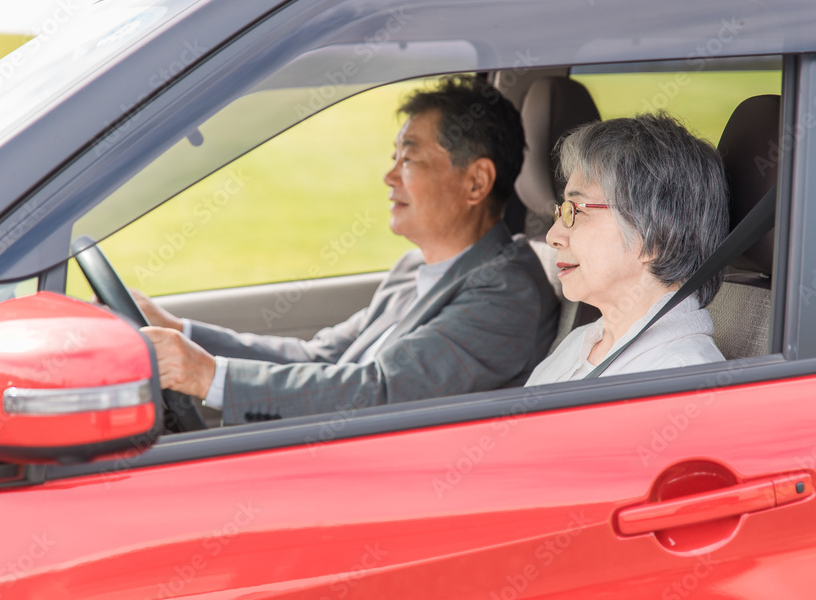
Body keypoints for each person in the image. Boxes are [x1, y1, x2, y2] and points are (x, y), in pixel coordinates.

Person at [138, 75, 560, 422]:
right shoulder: (415, 268)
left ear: (476, 182)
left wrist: (209, 376)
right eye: (393, 157)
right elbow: (320, 357)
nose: (389, 176)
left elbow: (381, 391)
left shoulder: (506, 292)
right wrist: (181, 332)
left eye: (409, 160)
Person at [525, 112, 728, 386]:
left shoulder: (681, 378)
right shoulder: (582, 343)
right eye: (561, 212)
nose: (553, 236)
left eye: (575, 211)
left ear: (653, 236)